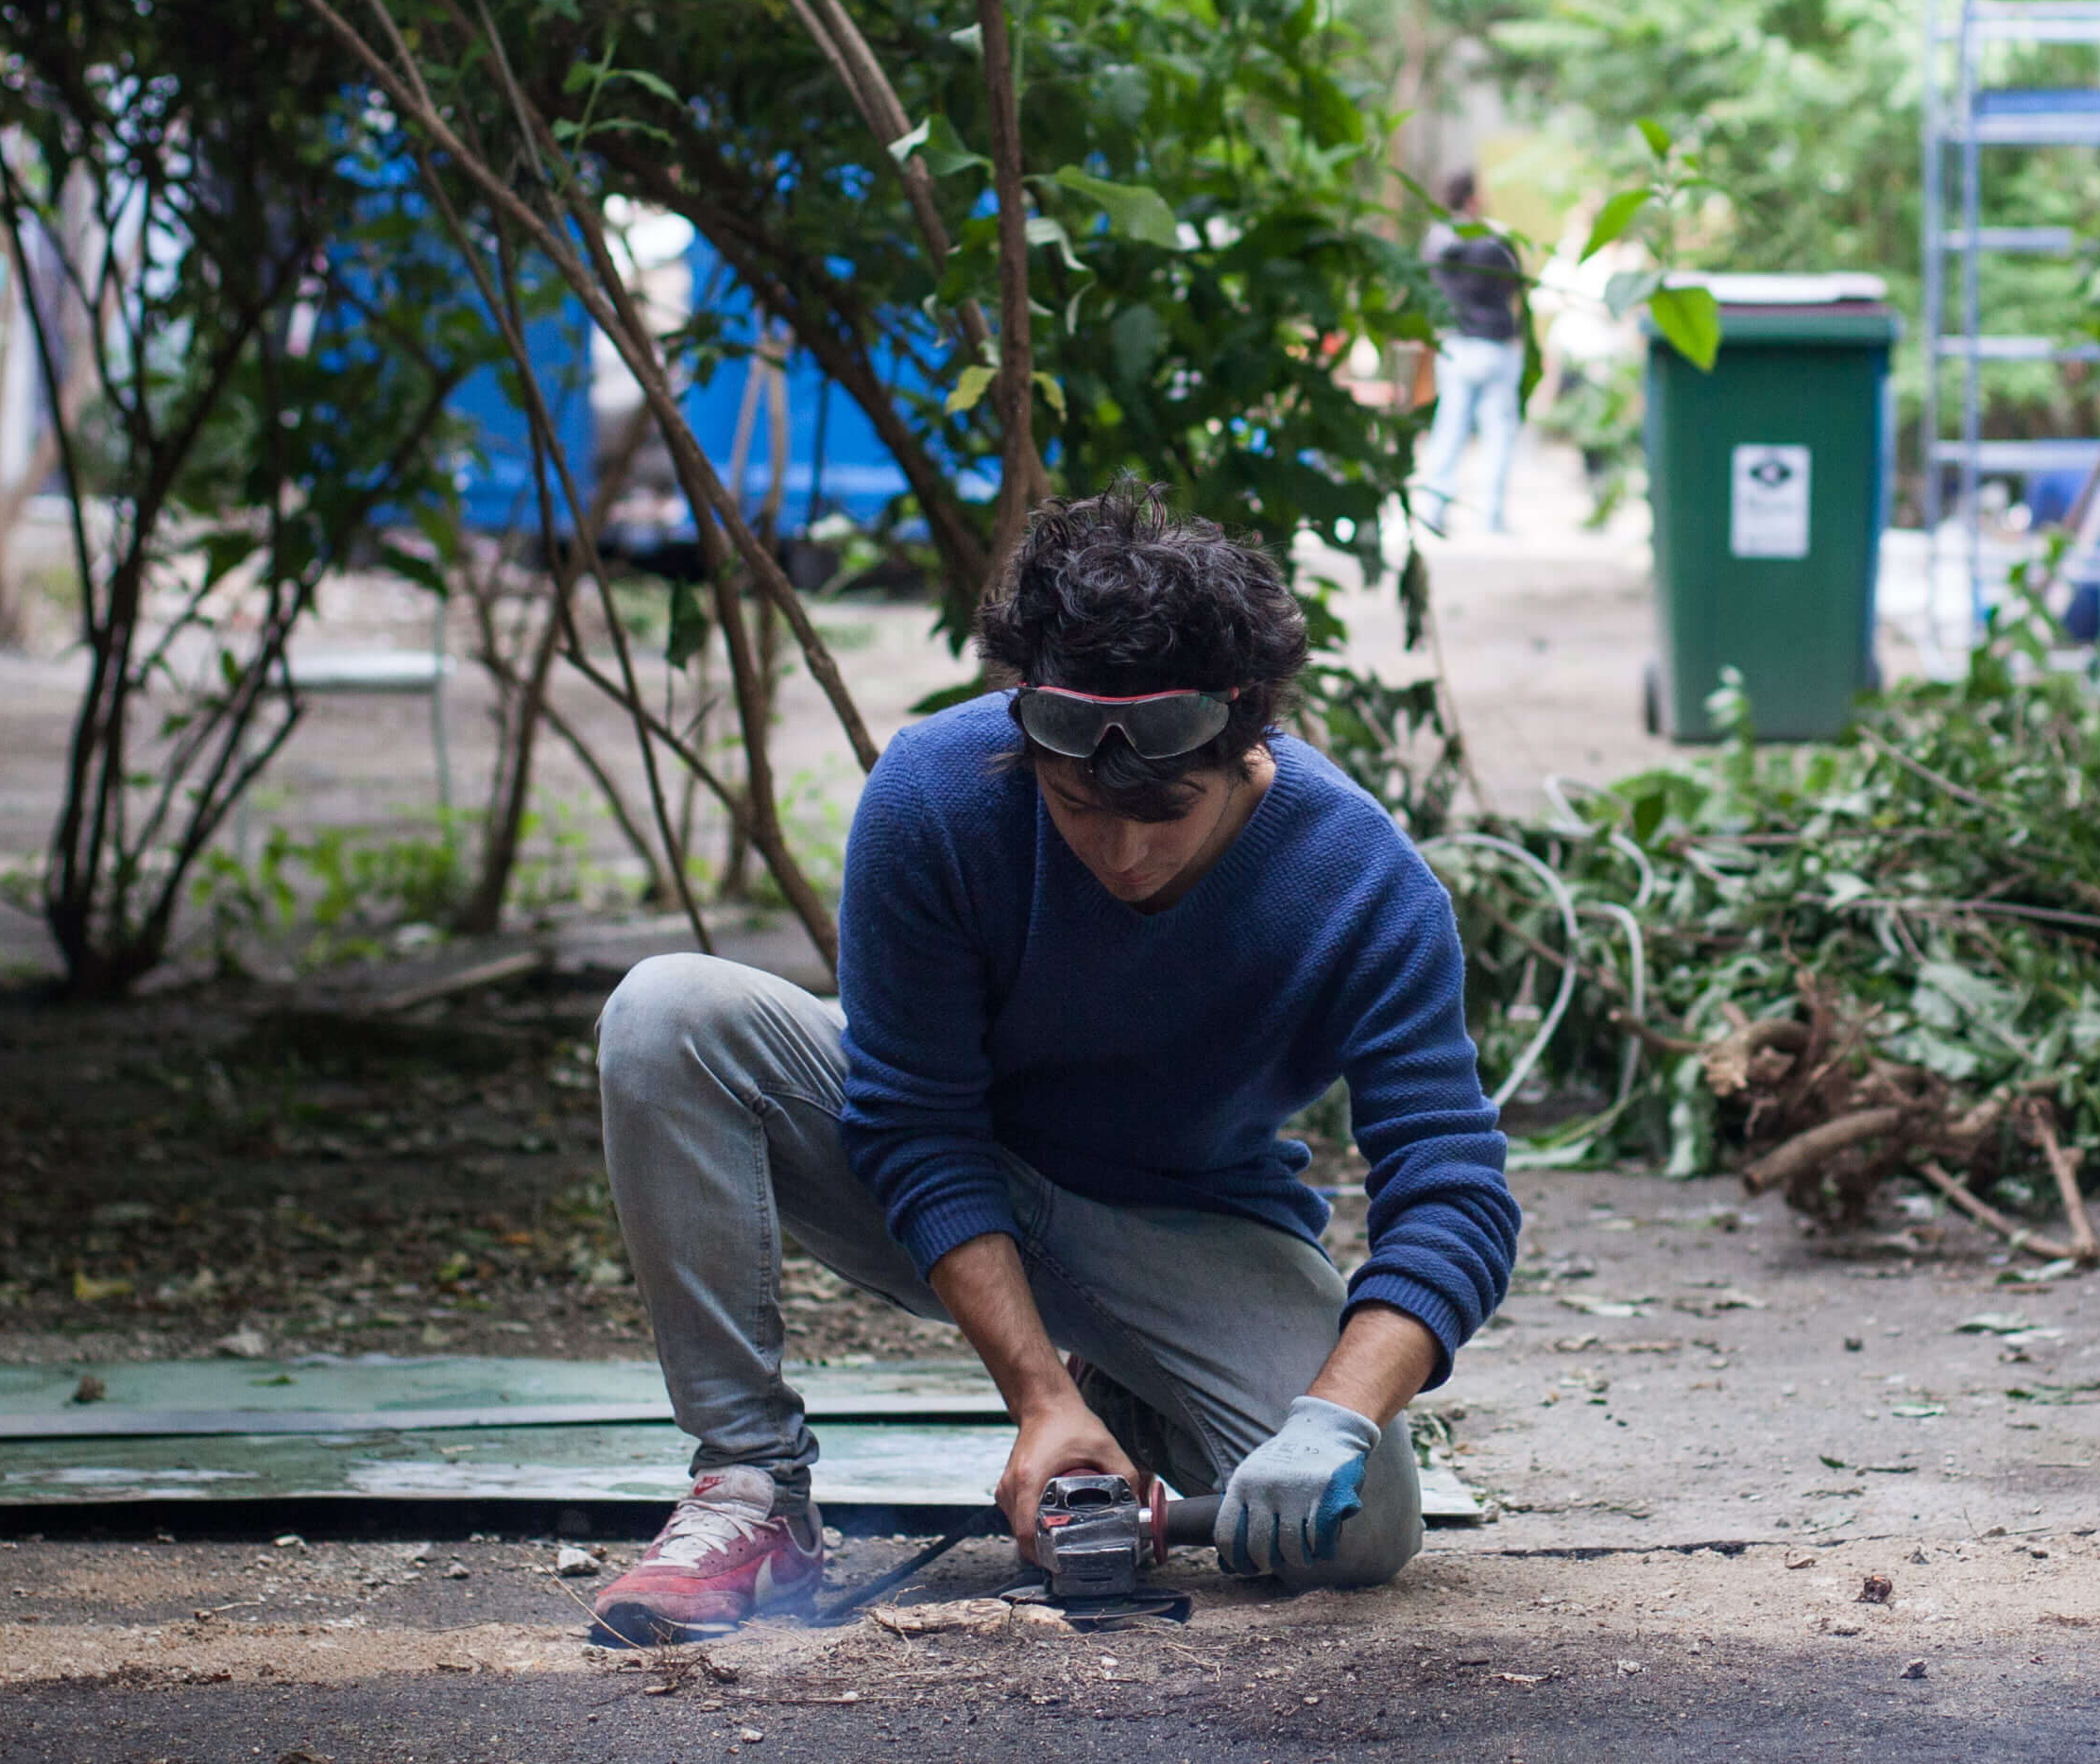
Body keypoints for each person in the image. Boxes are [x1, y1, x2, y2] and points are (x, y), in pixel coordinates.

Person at [575, 488, 1522, 1642]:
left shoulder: (1364, 884)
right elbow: (916, 1123)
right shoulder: (933, 791)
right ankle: (752, 1490)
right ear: (1027, 739)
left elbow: (1456, 1192)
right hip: (943, 1176)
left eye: (1165, 814)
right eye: (1078, 806)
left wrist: (1334, 1417)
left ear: (1246, 741)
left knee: (1359, 1533)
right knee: (668, 1010)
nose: (1120, 851)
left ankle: (1133, 1406)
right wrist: (1038, 1398)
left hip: (1189, 1223)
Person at [1414, 169, 1532, 537]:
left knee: (1449, 426)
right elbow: (1516, 286)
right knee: (1497, 432)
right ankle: (1491, 515)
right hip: (1496, 344)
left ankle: (1433, 508)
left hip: (1456, 345)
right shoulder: (1495, 242)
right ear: (1472, 198)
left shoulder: (1435, 244)